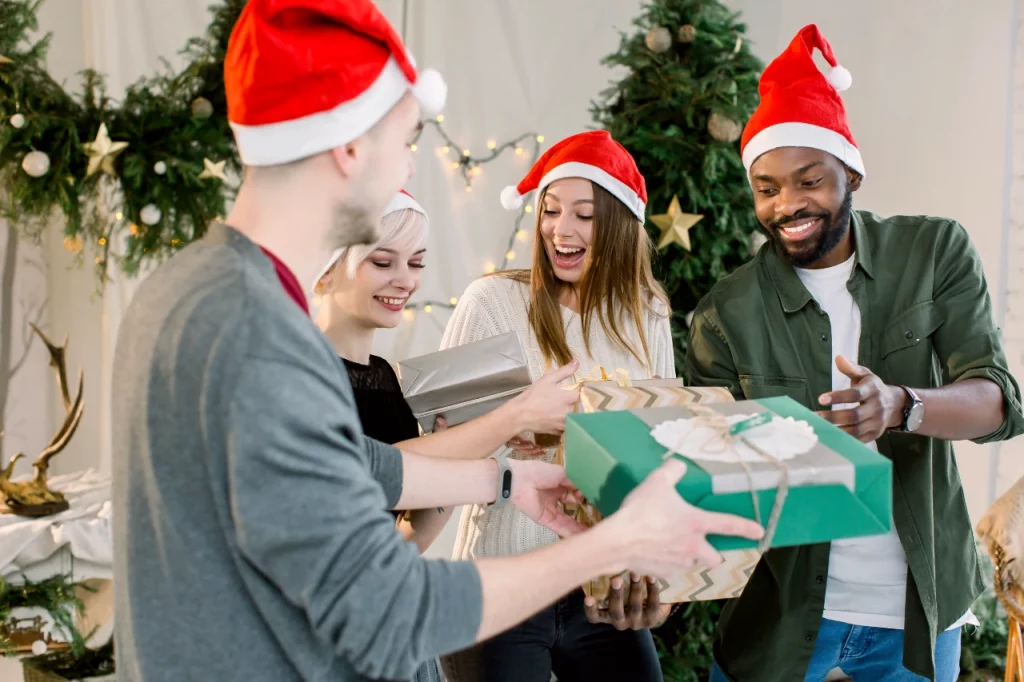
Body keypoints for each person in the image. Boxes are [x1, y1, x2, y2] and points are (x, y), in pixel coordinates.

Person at [110, 3, 766, 682]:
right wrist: (609, 545)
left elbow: (354, 463)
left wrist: (507, 477)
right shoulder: (258, 338)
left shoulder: (194, 289)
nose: (410, 167)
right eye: (407, 138)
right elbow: (388, 607)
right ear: (350, 146)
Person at [687, 25, 1024, 682]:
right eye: (766, 187)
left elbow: (1000, 403)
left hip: (916, 618)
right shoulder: (724, 313)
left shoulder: (933, 253)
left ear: (852, 172)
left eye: (809, 180)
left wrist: (902, 406)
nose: (787, 205)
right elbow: (710, 470)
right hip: (781, 620)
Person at [441, 130, 677, 682]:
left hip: (601, 587)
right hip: (501, 584)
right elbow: (439, 448)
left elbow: (663, 456)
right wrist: (520, 427)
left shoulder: (648, 317)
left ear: (620, 226)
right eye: (549, 210)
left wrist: (663, 580)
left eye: (584, 215)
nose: (559, 230)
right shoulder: (493, 304)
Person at [311, 190, 578, 553]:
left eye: (416, 263)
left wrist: (472, 440)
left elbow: (403, 541)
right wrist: (511, 418)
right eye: (383, 262)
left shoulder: (388, 379)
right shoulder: (299, 375)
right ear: (326, 268)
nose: (406, 281)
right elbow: (367, 473)